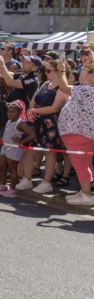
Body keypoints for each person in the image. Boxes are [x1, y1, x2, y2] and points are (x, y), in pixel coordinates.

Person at [18, 60, 70, 194]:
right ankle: (27, 179)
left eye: (48, 70)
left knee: (49, 153)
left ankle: (46, 183)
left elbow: (54, 108)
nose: (45, 73)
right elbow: (34, 100)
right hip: (35, 120)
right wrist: (30, 111)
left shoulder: (64, 88)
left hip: (50, 124)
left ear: (58, 72)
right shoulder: (46, 84)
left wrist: (33, 111)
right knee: (29, 151)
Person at [56, 61, 94, 205]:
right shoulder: (87, 89)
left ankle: (87, 195)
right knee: (85, 163)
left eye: (90, 72)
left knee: (81, 164)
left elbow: (63, 87)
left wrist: (62, 71)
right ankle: (85, 192)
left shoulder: (89, 90)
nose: (87, 73)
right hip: (82, 133)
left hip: (79, 133)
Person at [0, 101, 36, 198]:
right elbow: (7, 133)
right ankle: (3, 185)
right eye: (8, 112)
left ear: (19, 112)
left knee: (12, 170)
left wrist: (21, 140)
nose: (10, 114)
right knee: (2, 168)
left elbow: (32, 135)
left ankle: (12, 190)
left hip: (14, 149)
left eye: (13, 112)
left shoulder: (20, 123)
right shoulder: (8, 121)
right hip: (5, 147)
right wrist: (1, 139)